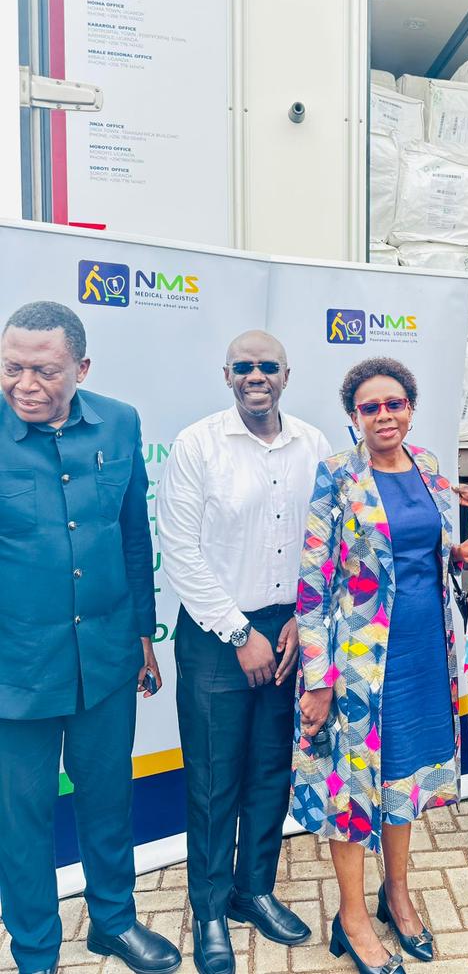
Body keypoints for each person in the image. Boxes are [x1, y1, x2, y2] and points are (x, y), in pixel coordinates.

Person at [290, 357, 468, 974]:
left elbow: (425, 554)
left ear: (410, 408)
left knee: (404, 777)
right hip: (358, 663)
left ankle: (396, 893)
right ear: (354, 416)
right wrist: (319, 679)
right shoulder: (337, 475)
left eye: (394, 404)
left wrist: (460, 552)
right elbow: (313, 583)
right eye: (370, 407)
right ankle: (352, 918)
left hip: (425, 653)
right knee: (352, 790)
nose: (384, 415)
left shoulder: (427, 466)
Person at [0, 302, 180, 974]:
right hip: (16, 670)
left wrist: (143, 635)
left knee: (109, 799)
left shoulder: (120, 422)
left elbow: (133, 535)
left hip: (105, 657)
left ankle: (113, 923)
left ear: (81, 369)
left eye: (44, 371)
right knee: (22, 820)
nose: (24, 384)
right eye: (11, 367)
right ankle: (35, 952)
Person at [157, 331, 330, 974]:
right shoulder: (198, 444)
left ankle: (253, 890)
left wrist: (303, 619)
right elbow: (180, 550)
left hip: (289, 630)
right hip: (216, 634)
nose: (256, 375)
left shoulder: (313, 443)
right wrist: (238, 632)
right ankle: (209, 909)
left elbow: (325, 540)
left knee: (270, 770)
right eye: (244, 366)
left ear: (287, 374)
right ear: (227, 374)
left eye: (268, 366)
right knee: (213, 778)